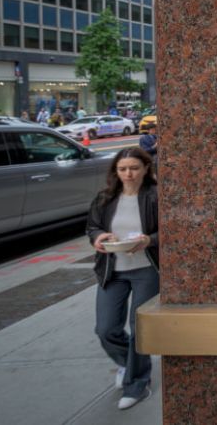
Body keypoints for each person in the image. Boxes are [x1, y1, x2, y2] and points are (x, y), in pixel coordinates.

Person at [86, 147, 159, 411]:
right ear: (115, 171)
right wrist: (99, 238)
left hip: (146, 270)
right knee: (105, 329)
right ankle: (127, 364)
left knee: (139, 328)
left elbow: (172, 231)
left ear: (145, 169)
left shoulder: (155, 196)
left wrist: (149, 240)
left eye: (134, 168)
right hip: (112, 270)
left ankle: (137, 384)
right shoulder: (105, 198)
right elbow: (92, 226)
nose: (128, 173)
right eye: (123, 169)